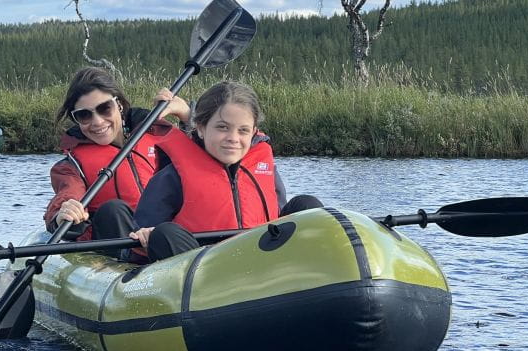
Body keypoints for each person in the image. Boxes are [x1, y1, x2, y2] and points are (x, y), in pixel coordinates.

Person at [123, 81, 322, 263]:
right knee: (164, 233)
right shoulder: (173, 174)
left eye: (243, 130)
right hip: (205, 270)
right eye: (222, 127)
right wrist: (146, 235)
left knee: (308, 206)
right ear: (200, 128)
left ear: (254, 132)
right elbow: (141, 232)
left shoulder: (263, 167)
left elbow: (278, 216)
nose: (233, 138)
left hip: (263, 260)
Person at [43, 66, 191, 245]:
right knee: (113, 209)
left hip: (167, 234)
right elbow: (68, 194)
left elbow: (203, 161)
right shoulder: (71, 166)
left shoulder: (157, 133)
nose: (97, 121)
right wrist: (62, 214)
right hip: (120, 242)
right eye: (84, 115)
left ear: (119, 105)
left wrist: (187, 116)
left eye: (104, 108)